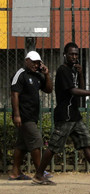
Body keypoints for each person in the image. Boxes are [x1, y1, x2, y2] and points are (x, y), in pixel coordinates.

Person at [33, 42, 90, 185]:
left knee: (87, 143)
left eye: (76, 54)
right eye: (71, 54)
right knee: (54, 146)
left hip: (74, 115)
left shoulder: (73, 70)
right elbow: (73, 91)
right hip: (65, 115)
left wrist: (80, 74)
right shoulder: (63, 70)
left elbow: (81, 89)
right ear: (64, 55)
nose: (74, 56)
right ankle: (38, 175)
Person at [9, 51, 53, 181]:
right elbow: (14, 94)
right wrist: (16, 115)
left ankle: (15, 172)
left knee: (22, 146)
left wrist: (47, 74)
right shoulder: (20, 75)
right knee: (36, 141)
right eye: (33, 62)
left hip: (32, 116)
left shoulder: (37, 76)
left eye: (38, 62)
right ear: (26, 60)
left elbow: (49, 89)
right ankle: (40, 172)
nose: (35, 64)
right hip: (24, 115)